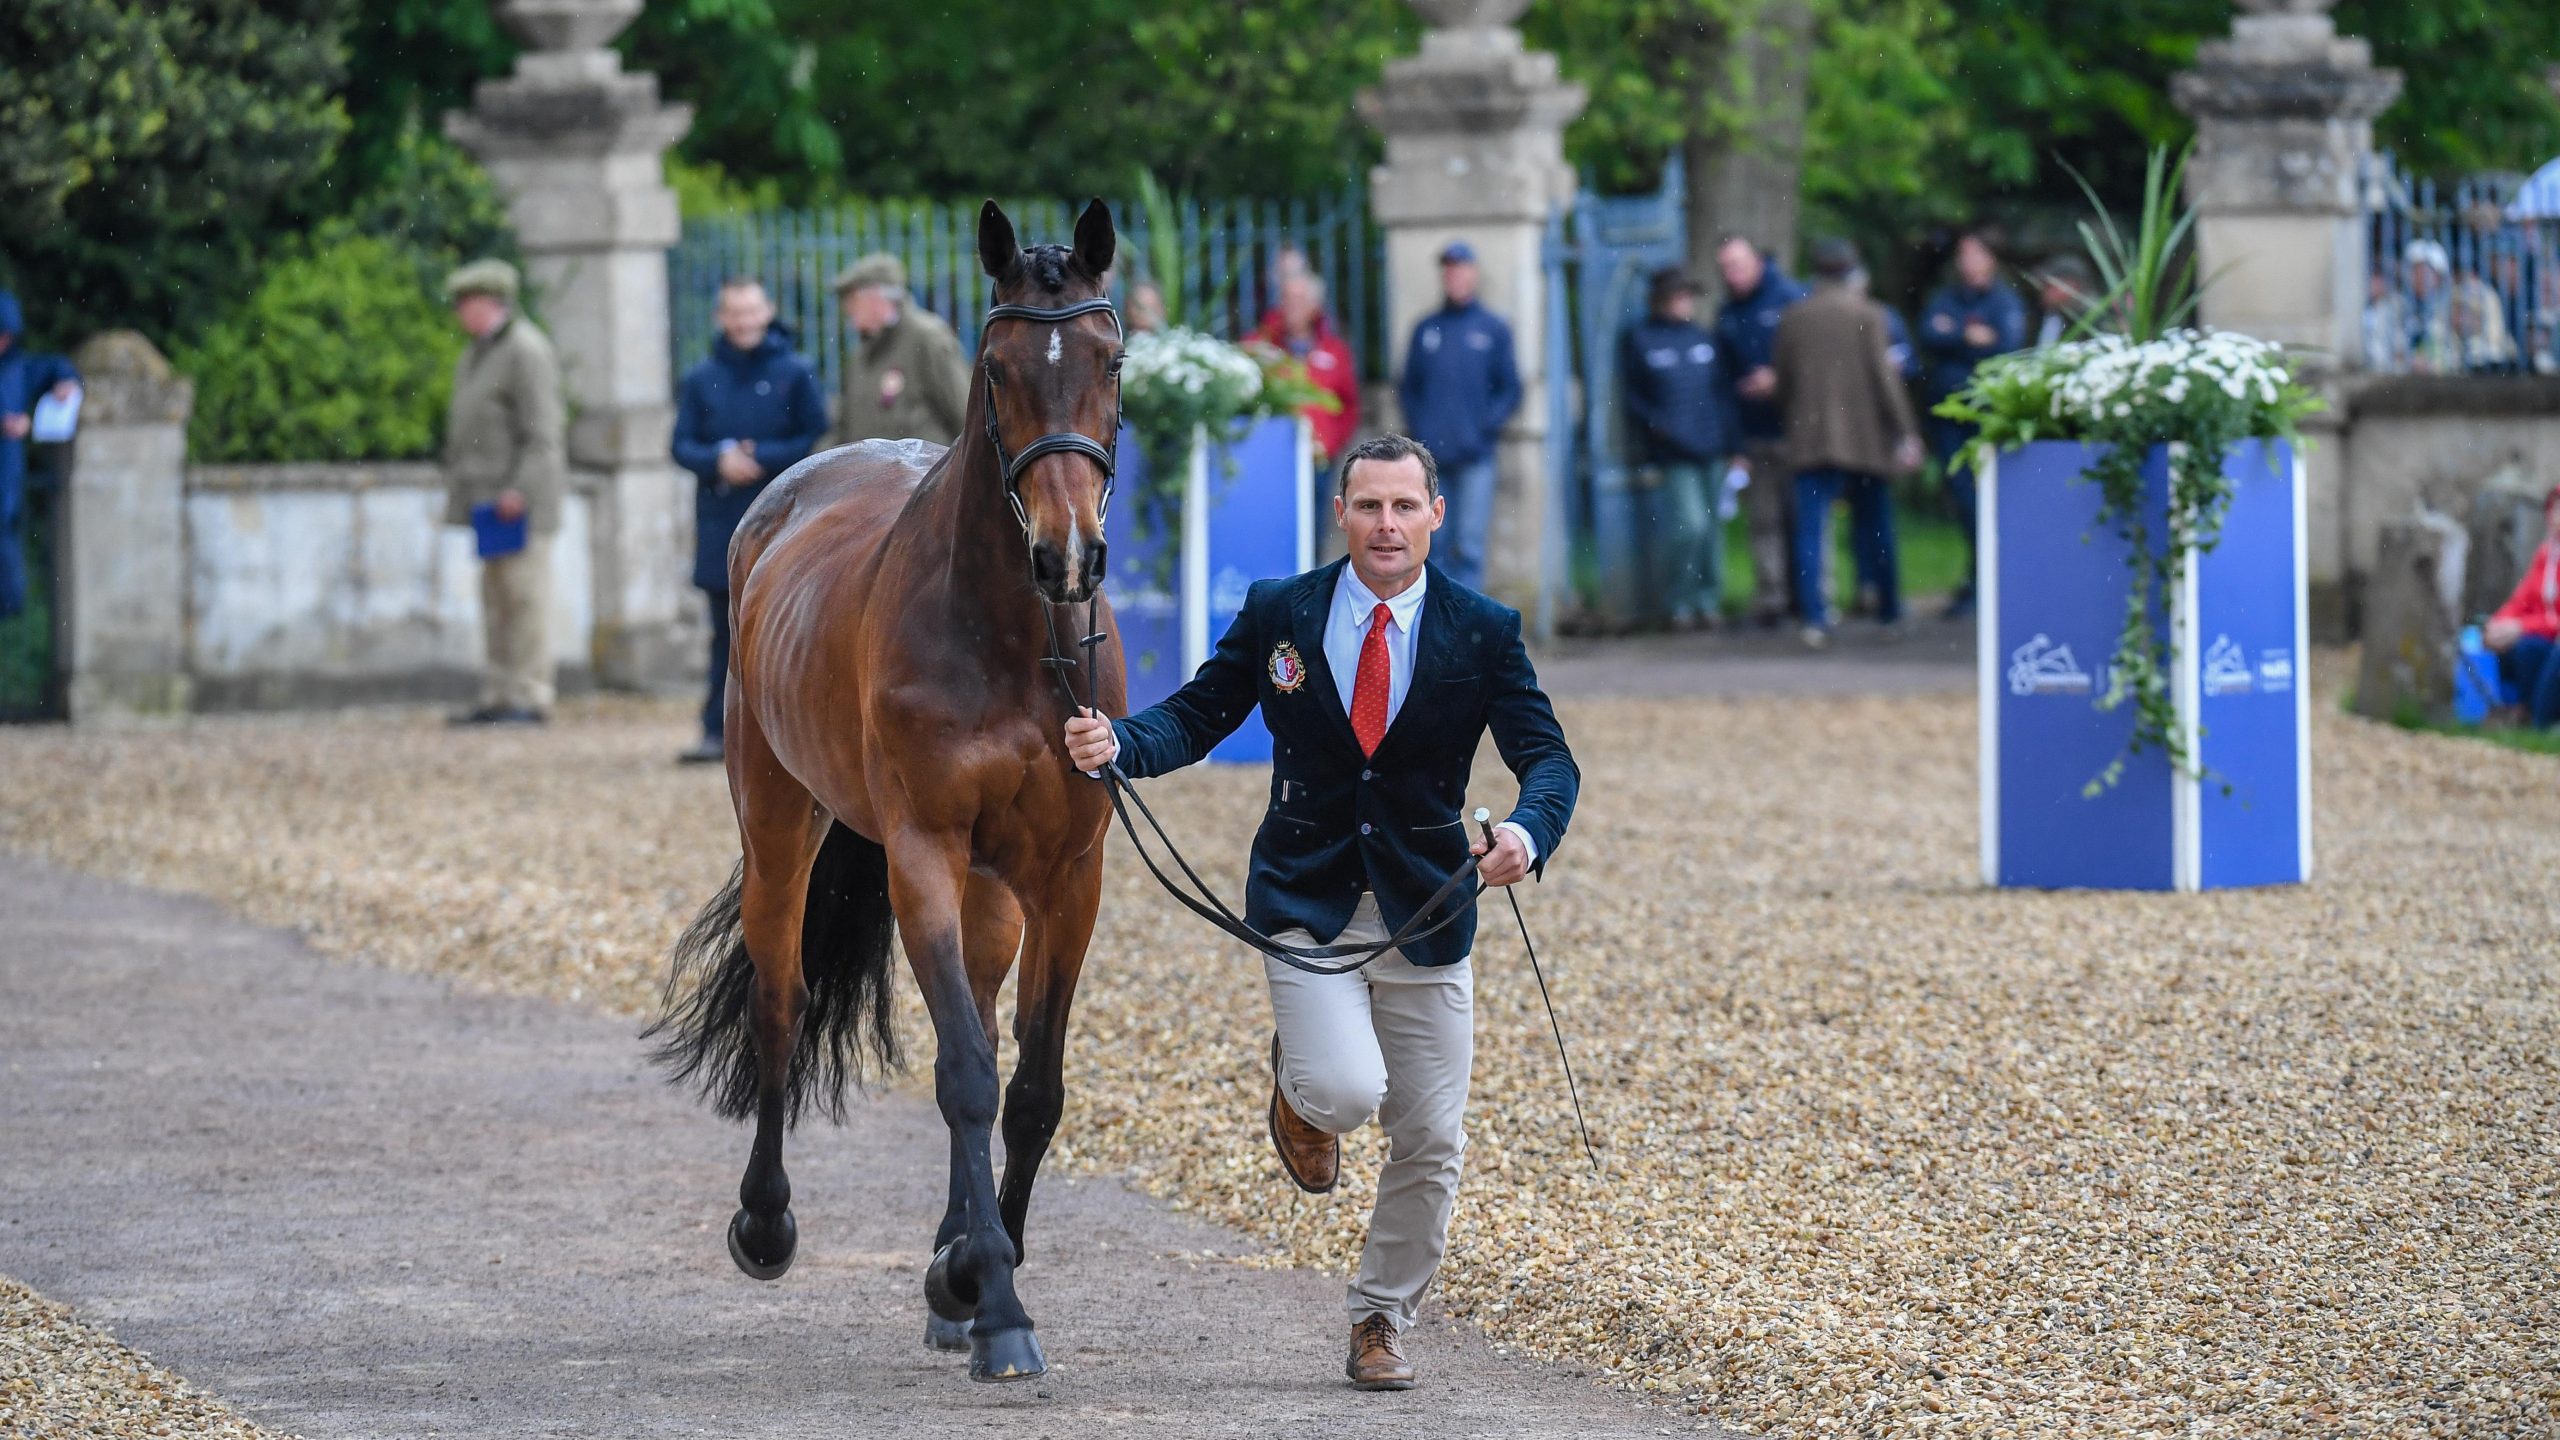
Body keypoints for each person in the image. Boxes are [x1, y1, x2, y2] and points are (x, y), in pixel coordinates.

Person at [1061, 433, 1577, 1393]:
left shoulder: (1483, 629)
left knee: (1433, 1140)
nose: (1387, 525)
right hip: (1305, 899)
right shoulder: (1281, 611)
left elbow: (1549, 759)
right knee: (1344, 1092)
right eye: (1368, 505)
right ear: (1339, 512)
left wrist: (1527, 833)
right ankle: (1301, 1088)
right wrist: (1119, 744)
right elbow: (1199, 715)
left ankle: (1380, 1317)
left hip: (1430, 910)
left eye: (1405, 507)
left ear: (1436, 515)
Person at [670, 274, 829, 765]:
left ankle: (793, 736)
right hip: (723, 519)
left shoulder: (796, 372)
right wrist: (719, 460)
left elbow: (816, 436)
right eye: (734, 313)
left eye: (751, 311)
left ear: (767, 312)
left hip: (787, 519)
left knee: (792, 630)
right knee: (727, 632)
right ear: (721, 318)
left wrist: (762, 457)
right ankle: (718, 730)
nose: (743, 322)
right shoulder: (701, 378)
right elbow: (680, 444)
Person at [1772, 238, 1924, 650]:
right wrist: (1906, 431)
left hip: (1809, 438)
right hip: (1864, 438)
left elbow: (1783, 382)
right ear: (1852, 270)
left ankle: (1814, 619)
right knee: (1876, 526)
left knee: (1810, 530)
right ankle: (1889, 612)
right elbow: (1884, 379)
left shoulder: (1793, 317)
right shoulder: (1870, 315)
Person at [441, 259, 566, 725]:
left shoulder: (525, 350)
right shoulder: (478, 352)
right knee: (496, 600)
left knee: (526, 600)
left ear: (491, 303)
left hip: (518, 505)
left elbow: (544, 433)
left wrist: (521, 490)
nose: (460, 312)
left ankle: (530, 695)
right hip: (488, 503)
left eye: (466, 303)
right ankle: (498, 693)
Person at [1394, 243, 1520, 591]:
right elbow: (1408, 388)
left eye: (1460, 268)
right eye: (1448, 269)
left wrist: (1482, 429)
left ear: (1473, 274)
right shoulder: (1426, 329)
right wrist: (1420, 429)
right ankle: (1434, 615)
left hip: (1475, 457)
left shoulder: (1492, 329)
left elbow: (1510, 389)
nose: (1454, 276)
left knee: (1468, 544)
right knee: (1430, 545)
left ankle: (1466, 618)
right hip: (1430, 460)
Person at [1916, 231, 2028, 619]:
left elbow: (2005, 347)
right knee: (1963, 498)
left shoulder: (2004, 301)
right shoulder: (1946, 297)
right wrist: (1969, 337)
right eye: (1963, 254)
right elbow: (1929, 333)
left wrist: (1954, 335)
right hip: (1951, 416)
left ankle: (1987, 582)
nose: (1968, 262)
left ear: (1991, 259)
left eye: (1975, 254)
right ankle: (1978, 579)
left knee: (1986, 499)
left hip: (1987, 415)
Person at [1619, 266, 1736, 629]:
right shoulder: (1641, 339)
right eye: (1678, 295)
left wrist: (1731, 442)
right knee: (1691, 526)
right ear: (1660, 299)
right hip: (1674, 451)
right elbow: (1634, 397)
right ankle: (1679, 601)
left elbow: (1721, 393)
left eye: (1688, 296)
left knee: (1712, 529)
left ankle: (1708, 600)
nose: (1685, 302)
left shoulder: (1702, 337)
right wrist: (1659, 427)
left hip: (1711, 447)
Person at [1711, 235, 1810, 625]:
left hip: (1797, 429)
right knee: (1764, 521)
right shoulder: (1727, 313)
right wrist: (1734, 443)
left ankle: (1810, 597)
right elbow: (1722, 381)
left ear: (1757, 261)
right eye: (1725, 268)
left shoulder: (1791, 298)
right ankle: (1772, 600)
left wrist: (1779, 379)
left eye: (1737, 264)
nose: (1731, 274)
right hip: (1753, 432)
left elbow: (1813, 361)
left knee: (1803, 518)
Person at [1253, 269, 1363, 541]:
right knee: (1271, 529)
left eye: (1300, 300)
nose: (1293, 307)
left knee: (1312, 532)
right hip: (1271, 457)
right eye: (1287, 299)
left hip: (1317, 460)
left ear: (1315, 306)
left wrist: (1331, 443)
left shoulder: (1334, 350)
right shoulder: (1262, 346)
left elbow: (1349, 405)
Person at [825, 254, 969, 449]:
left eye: (853, 299)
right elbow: (843, 427)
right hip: (870, 468)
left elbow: (962, 411)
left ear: (876, 299)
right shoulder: (861, 354)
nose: (847, 308)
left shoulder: (927, 337)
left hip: (926, 467)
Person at [0, 291, 79, 622]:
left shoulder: (17, 369)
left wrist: (66, 380)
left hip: (9, 484)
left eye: (6, 335)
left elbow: (56, 367)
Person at [2483, 483, 2560, 729]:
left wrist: (2521, 627)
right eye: (2555, 508)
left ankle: (2538, 718)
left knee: (2529, 648)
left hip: (2553, 641)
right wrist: (2498, 623)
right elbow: (2523, 599)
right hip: (2543, 635)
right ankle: (2517, 710)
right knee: (2512, 648)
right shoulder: (2546, 553)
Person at [2031, 256, 2100, 347]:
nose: (2044, 292)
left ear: (2072, 286)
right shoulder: (2043, 315)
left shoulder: (2091, 320)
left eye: (2050, 286)